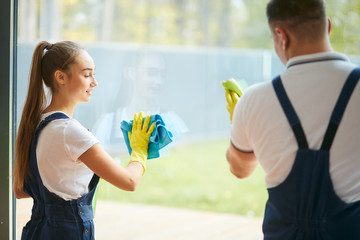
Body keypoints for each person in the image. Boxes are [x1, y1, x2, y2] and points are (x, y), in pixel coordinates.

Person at [225, 0, 360, 239]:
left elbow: (239, 169)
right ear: (327, 26)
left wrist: (240, 121)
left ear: (281, 36)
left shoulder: (253, 100)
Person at [13, 40, 155, 240]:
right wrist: (140, 149)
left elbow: (20, 189)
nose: (94, 82)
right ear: (60, 77)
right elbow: (129, 181)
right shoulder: (70, 132)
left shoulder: (35, 123)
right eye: (87, 74)